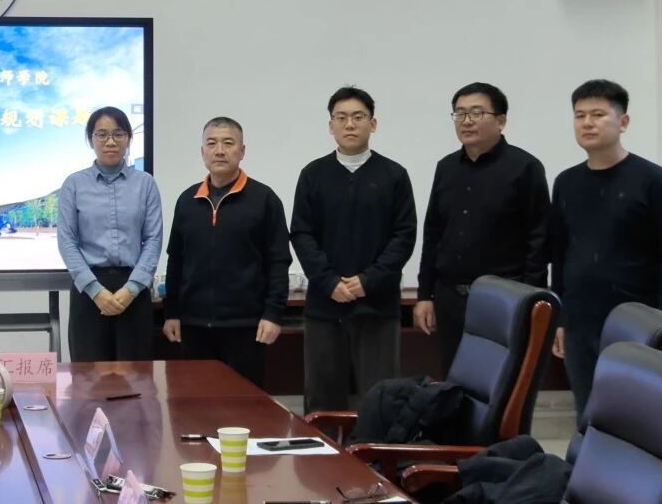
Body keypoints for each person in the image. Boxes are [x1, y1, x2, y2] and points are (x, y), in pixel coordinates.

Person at [550, 79, 662, 420]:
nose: (587, 123)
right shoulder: (566, 182)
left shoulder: (652, 180)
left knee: (636, 418)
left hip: (637, 321)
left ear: (623, 122)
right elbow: (559, 255)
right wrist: (560, 320)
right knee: (588, 415)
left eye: (598, 114)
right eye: (579, 115)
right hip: (580, 321)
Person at [290, 87, 417, 412]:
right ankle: (323, 449)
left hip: (377, 307)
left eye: (358, 117)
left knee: (380, 401)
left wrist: (368, 280)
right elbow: (302, 234)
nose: (349, 124)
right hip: (325, 307)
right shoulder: (313, 175)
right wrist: (329, 281)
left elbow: (404, 236)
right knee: (322, 401)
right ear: (330, 125)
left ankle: (374, 449)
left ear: (373, 124)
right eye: (341, 117)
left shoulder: (394, 175)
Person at [415, 82, 550, 375]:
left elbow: (539, 240)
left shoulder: (525, 167)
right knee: (453, 383)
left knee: (501, 385)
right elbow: (433, 233)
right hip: (450, 299)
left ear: (501, 121)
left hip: (504, 301)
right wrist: (425, 294)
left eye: (477, 113)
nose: (467, 121)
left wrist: (530, 300)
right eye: (460, 113)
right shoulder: (446, 167)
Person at [162, 116, 290, 387]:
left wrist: (273, 314)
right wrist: (171, 312)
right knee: (196, 402)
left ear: (242, 151)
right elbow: (176, 260)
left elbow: (278, 261)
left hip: (246, 326)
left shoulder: (264, 200)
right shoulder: (187, 201)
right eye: (212, 143)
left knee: (244, 404)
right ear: (202, 152)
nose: (219, 150)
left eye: (228, 143)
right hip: (194, 326)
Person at [57, 106, 163, 361]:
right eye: (102, 134)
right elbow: (67, 241)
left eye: (118, 133)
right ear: (91, 139)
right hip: (88, 292)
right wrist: (96, 291)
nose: (111, 141)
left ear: (128, 138)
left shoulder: (145, 183)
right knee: (88, 376)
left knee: (136, 376)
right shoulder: (74, 184)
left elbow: (153, 239)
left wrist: (132, 288)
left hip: (133, 290)